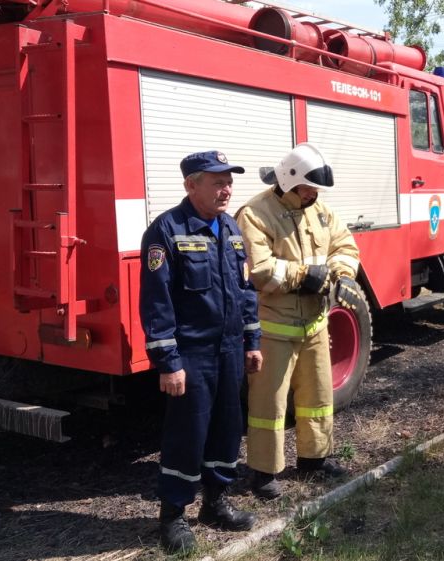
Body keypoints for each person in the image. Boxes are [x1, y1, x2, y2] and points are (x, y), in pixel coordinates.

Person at [139, 150, 263, 554]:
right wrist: (168, 363)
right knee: (187, 434)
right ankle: (172, 516)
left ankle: (215, 502)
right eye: (216, 181)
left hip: (229, 351)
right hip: (191, 355)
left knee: (228, 427)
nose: (226, 189)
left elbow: (245, 292)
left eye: (229, 181)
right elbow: (157, 304)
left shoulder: (229, 228)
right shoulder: (166, 231)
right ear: (191, 184)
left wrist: (252, 342)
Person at [236, 142, 362, 499]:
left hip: (315, 323)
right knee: (269, 405)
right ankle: (263, 472)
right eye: (309, 187)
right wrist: (306, 276)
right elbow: (259, 271)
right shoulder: (256, 213)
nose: (314, 193)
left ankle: (314, 459)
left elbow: (345, 247)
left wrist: (341, 274)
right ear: (289, 180)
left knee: (318, 396)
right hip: (274, 327)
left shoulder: (318, 210)